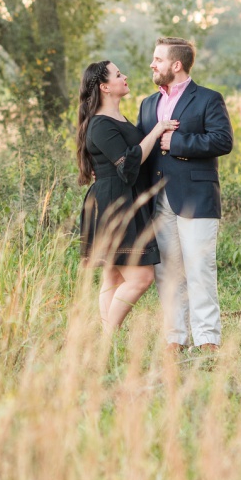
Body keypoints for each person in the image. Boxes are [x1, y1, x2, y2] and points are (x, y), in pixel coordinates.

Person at [136, 37, 234, 354]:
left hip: (197, 197)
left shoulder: (207, 99)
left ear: (176, 65)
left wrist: (175, 143)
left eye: (158, 59)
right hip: (158, 199)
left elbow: (222, 141)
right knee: (167, 271)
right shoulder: (148, 104)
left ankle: (207, 340)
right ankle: (174, 339)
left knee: (200, 269)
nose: (152, 64)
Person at [76, 60, 180, 334]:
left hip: (127, 199)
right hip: (116, 203)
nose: (125, 77)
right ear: (105, 87)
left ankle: (105, 343)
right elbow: (128, 165)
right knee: (141, 277)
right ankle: (109, 334)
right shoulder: (100, 125)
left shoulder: (118, 119)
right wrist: (158, 130)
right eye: (118, 74)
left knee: (113, 275)